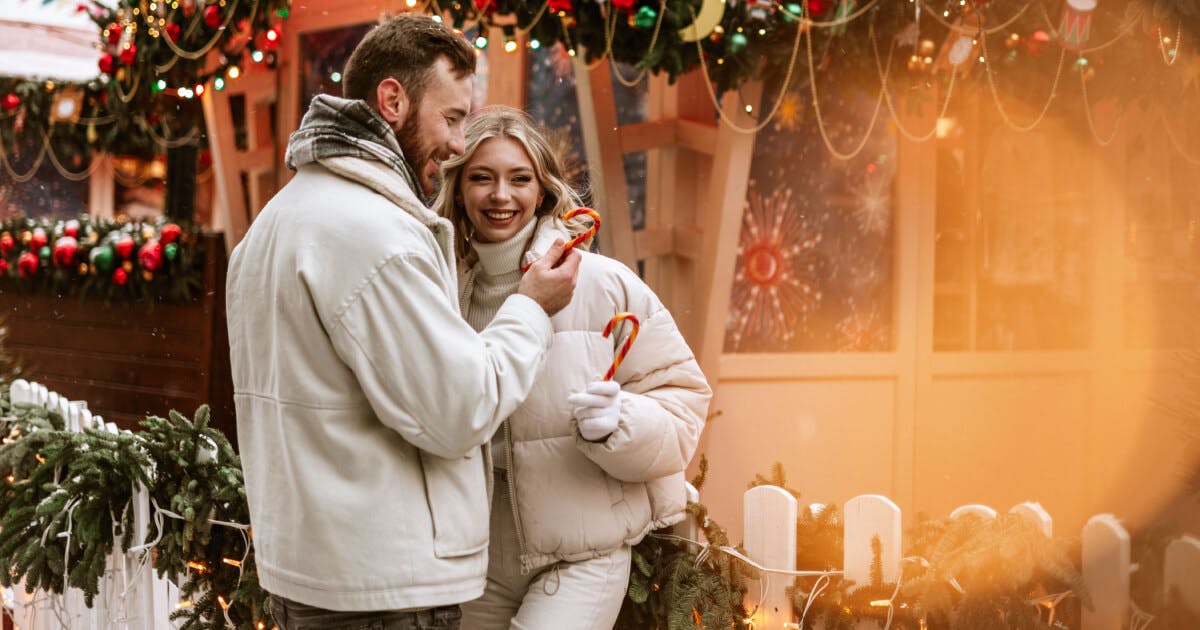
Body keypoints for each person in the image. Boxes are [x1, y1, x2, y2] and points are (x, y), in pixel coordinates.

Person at [224, 16, 581, 630]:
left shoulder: (276, 221)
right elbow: (457, 409)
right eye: (451, 118)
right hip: (382, 592)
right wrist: (529, 307)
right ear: (392, 100)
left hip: (315, 573)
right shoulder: (373, 235)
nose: (459, 143)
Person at [433, 106, 711, 629]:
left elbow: (683, 403)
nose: (500, 196)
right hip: (476, 558)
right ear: (459, 188)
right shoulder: (440, 293)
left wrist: (621, 424)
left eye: (519, 179)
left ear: (542, 191)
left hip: (583, 556)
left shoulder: (603, 284)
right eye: (481, 178)